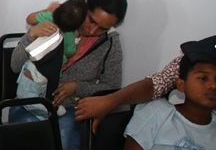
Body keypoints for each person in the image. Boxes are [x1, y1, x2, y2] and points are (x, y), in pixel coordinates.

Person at [9, 0, 128, 150]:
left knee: (67, 147)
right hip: (33, 102)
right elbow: (15, 65)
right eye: (91, 20)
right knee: (37, 144)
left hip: (71, 106)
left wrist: (77, 87)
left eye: (102, 28)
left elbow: (112, 85)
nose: (93, 31)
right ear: (85, 6)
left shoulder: (110, 43)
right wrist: (31, 35)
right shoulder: (60, 20)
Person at [75, 35, 216, 127]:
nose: (213, 85)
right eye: (204, 78)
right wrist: (110, 102)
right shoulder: (200, 57)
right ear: (181, 84)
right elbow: (155, 85)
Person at [13, 0, 88, 119]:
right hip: (50, 75)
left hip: (33, 70)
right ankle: (49, 111)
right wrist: (76, 41)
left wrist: (47, 10)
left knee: (27, 96)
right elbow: (70, 53)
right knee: (41, 96)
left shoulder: (47, 17)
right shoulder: (69, 35)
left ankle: (44, 111)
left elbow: (29, 18)